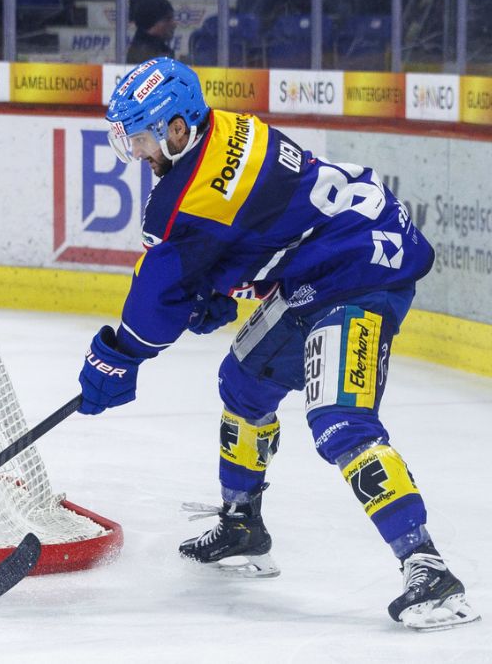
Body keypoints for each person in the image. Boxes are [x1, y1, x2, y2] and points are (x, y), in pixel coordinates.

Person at [78, 57, 480, 631]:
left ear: (176, 129)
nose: (137, 154)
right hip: (323, 265)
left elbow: (158, 300)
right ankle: (243, 525)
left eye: (142, 139)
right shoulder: (226, 129)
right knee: (242, 382)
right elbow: (263, 224)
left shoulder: (186, 198)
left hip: (361, 271)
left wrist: (118, 356)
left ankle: (429, 569)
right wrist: (220, 284)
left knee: (341, 419)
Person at [125, 0, 176, 64]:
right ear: (152, 23)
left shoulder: (160, 50)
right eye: (167, 19)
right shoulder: (142, 55)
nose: (174, 24)